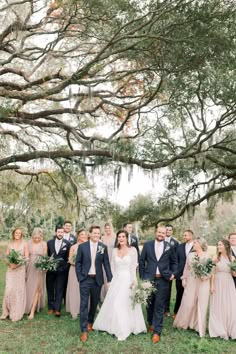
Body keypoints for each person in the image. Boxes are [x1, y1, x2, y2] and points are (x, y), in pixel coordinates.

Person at [93, 230, 146, 340]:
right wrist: (110, 280)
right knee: (115, 302)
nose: (121, 238)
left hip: (128, 280)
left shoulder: (133, 250)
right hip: (116, 279)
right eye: (119, 237)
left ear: (127, 238)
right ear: (117, 238)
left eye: (123, 236)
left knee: (125, 302)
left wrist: (134, 281)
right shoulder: (115, 250)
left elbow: (133, 267)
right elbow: (112, 266)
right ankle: (114, 325)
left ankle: (126, 326)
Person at [139, 225, 177, 343]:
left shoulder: (169, 246)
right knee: (149, 303)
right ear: (156, 232)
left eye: (163, 233)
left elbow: (174, 262)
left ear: (166, 234)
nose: (161, 234)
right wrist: (143, 276)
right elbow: (141, 261)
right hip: (149, 279)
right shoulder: (148, 245)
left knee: (159, 305)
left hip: (163, 280)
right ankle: (151, 323)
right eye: (159, 232)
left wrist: (173, 273)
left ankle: (157, 331)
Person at [75, 225, 112, 342]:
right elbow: (78, 263)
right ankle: (84, 330)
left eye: (98, 233)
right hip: (85, 279)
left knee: (94, 302)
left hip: (97, 280)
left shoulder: (103, 247)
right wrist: (81, 277)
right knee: (84, 303)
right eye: (94, 233)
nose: (96, 235)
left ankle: (90, 321)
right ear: (89, 234)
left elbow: (106, 264)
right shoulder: (82, 247)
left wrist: (110, 279)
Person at [173, 237, 211, 337]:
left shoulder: (207, 256)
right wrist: (184, 279)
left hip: (203, 283)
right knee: (188, 302)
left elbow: (210, 271)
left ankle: (199, 327)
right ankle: (183, 323)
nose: (193, 244)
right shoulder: (190, 255)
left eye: (195, 243)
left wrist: (206, 276)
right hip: (191, 281)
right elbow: (186, 268)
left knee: (201, 304)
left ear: (200, 244)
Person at [209, 239, 236, 340]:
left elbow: (234, 274)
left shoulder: (232, 258)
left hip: (229, 283)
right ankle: (219, 329)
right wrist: (212, 286)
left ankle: (231, 329)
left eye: (220, 245)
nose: (218, 246)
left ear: (226, 246)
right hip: (218, 282)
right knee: (218, 305)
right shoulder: (215, 258)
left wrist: (234, 271)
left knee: (230, 305)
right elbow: (212, 273)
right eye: (218, 245)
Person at [1, 228, 29, 322]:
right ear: (13, 234)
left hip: (20, 270)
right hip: (10, 270)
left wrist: (17, 264)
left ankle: (15, 313)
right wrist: (10, 264)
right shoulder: (10, 244)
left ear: (21, 235)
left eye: (19, 233)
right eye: (16, 233)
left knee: (18, 290)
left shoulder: (25, 244)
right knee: (9, 289)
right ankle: (6, 312)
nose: (18, 234)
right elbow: (6, 257)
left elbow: (26, 258)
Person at [46, 224, 71, 317]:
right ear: (55, 232)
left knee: (59, 289)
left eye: (62, 232)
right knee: (50, 288)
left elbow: (69, 257)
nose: (60, 233)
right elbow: (48, 256)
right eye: (59, 232)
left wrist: (64, 268)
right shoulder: (49, 243)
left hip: (62, 271)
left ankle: (57, 309)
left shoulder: (67, 244)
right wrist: (48, 265)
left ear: (63, 233)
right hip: (51, 270)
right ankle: (50, 307)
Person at [25, 228, 47, 319]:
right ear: (32, 235)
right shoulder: (28, 243)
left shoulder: (44, 244)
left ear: (41, 236)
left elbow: (45, 257)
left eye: (39, 237)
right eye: (35, 237)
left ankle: (32, 311)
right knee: (29, 287)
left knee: (37, 288)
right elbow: (26, 256)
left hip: (39, 268)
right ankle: (27, 306)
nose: (37, 239)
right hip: (30, 267)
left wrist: (45, 266)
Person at [66, 229, 88, 319]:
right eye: (81, 234)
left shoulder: (88, 246)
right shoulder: (73, 247)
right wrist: (77, 264)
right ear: (78, 236)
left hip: (85, 271)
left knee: (84, 289)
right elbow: (70, 259)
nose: (83, 236)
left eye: (85, 234)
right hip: (74, 270)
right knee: (74, 289)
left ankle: (84, 309)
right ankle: (74, 310)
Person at [173, 229, 194, 318]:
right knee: (179, 293)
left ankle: (189, 313)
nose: (184, 237)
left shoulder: (196, 246)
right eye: (183, 235)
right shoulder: (180, 246)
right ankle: (176, 312)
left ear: (191, 236)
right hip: (180, 274)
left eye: (185, 235)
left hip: (192, 275)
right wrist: (176, 271)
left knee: (190, 294)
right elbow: (175, 260)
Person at [164, 224, 179, 317]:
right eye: (167, 230)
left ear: (172, 231)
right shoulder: (160, 240)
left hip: (169, 271)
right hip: (159, 270)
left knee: (168, 290)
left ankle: (166, 309)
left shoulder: (175, 243)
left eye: (170, 230)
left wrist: (174, 272)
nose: (168, 231)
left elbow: (175, 259)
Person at [100, 222, 116, 301]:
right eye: (106, 228)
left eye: (109, 228)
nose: (107, 230)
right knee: (104, 277)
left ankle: (113, 296)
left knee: (113, 276)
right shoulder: (102, 238)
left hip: (113, 259)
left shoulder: (116, 236)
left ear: (111, 228)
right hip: (104, 259)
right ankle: (104, 297)